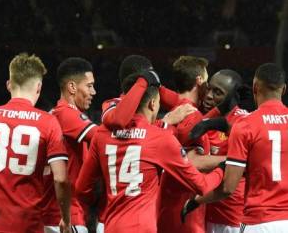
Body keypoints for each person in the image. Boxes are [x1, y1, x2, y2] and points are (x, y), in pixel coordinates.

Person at [75, 74, 225, 233]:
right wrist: (222, 168)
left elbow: (82, 189)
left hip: (110, 226)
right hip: (142, 228)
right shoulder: (160, 138)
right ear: (153, 104)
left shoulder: (102, 134)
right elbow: (202, 185)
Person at [182, 63, 288, 233]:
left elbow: (227, 188)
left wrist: (197, 201)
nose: (209, 96)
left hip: (256, 220)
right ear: (283, 90)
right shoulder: (242, 123)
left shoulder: (246, 125)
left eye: (217, 92)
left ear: (255, 87)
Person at [0, 53, 71, 233]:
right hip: (27, 225)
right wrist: (66, 218)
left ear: (9, 84)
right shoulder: (48, 123)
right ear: (39, 87)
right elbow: (60, 178)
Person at [157, 56, 227, 233]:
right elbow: (192, 161)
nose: (209, 90)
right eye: (207, 81)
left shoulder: (176, 111)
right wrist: (231, 161)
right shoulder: (192, 116)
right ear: (199, 80)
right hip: (184, 211)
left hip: (168, 204)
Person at [43, 57, 98, 233]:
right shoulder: (66, 114)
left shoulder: (53, 115)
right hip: (65, 219)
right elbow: (105, 138)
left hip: (52, 215)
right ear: (72, 87)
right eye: (89, 86)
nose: (94, 91)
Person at [193, 69, 249, 233]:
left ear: (233, 96)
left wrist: (235, 161)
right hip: (207, 214)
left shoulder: (242, 123)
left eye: (217, 92)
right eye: (209, 89)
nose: (209, 96)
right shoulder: (204, 119)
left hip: (231, 219)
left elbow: (196, 163)